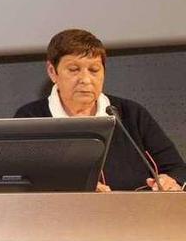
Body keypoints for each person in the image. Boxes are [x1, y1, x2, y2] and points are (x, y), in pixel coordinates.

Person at [15, 29, 186, 192]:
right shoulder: (31, 117)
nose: (85, 79)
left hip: (131, 217)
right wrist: (75, 188)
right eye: (74, 70)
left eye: (94, 70)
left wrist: (170, 181)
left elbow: (177, 169)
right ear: (53, 72)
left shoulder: (130, 114)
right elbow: (18, 180)